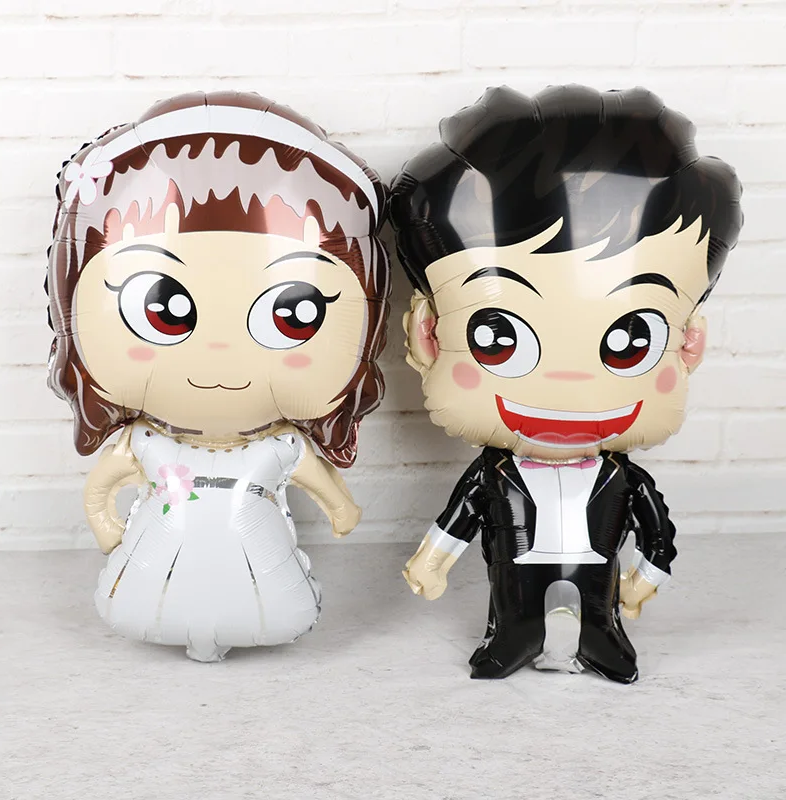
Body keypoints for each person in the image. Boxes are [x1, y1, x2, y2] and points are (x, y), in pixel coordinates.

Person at [390, 85, 742, 683]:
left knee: (601, 631)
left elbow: (657, 534)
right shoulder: (495, 475)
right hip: (516, 588)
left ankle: (604, 644)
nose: (568, 382)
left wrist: (644, 577)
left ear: (689, 346)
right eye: (498, 337)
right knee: (515, 624)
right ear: (429, 336)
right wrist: (432, 561)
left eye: (630, 340)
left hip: (598, 588)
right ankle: (510, 642)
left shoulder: (620, 478)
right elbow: (461, 516)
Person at [47, 91, 390, 662]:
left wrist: (342, 509)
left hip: (256, 576)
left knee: (273, 602)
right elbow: (100, 491)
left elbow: (325, 487)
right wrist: (109, 532)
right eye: (163, 311)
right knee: (150, 596)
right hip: (155, 568)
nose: (220, 353)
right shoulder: (147, 444)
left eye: (293, 313)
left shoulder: (278, 447)